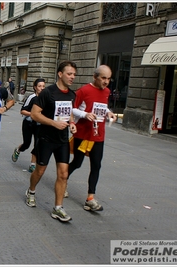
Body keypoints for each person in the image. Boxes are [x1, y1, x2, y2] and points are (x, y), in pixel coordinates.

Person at [25, 61, 77, 222]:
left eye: (74, 74)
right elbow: (34, 114)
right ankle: (31, 191)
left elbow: (70, 113)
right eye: (69, 74)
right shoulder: (48, 92)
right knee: (40, 171)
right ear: (60, 74)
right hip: (46, 138)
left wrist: (72, 124)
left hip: (62, 140)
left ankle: (58, 208)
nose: (72, 77)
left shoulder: (71, 94)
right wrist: (54, 123)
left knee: (63, 174)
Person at [67, 65, 117, 212]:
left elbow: (102, 106)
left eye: (108, 78)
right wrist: (85, 115)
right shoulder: (83, 91)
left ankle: (90, 198)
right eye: (103, 78)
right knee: (77, 162)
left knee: (96, 165)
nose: (106, 82)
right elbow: (72, 108)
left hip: (98, 135)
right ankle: (63, 180)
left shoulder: (107, 91)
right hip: (82, 134)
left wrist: (109, 113)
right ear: (95, 77)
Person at [12, 78, 46, 172]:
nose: (42, 88)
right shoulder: (32, 97)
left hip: (39, 125)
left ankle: (32, 164)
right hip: (29, 123)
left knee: (38, 144)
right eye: (39, 86)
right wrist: (33, 114)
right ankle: (18, 150)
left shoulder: (46, 98)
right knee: (27, 144)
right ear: (35, 87)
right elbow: (22, 111)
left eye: (43, 86)